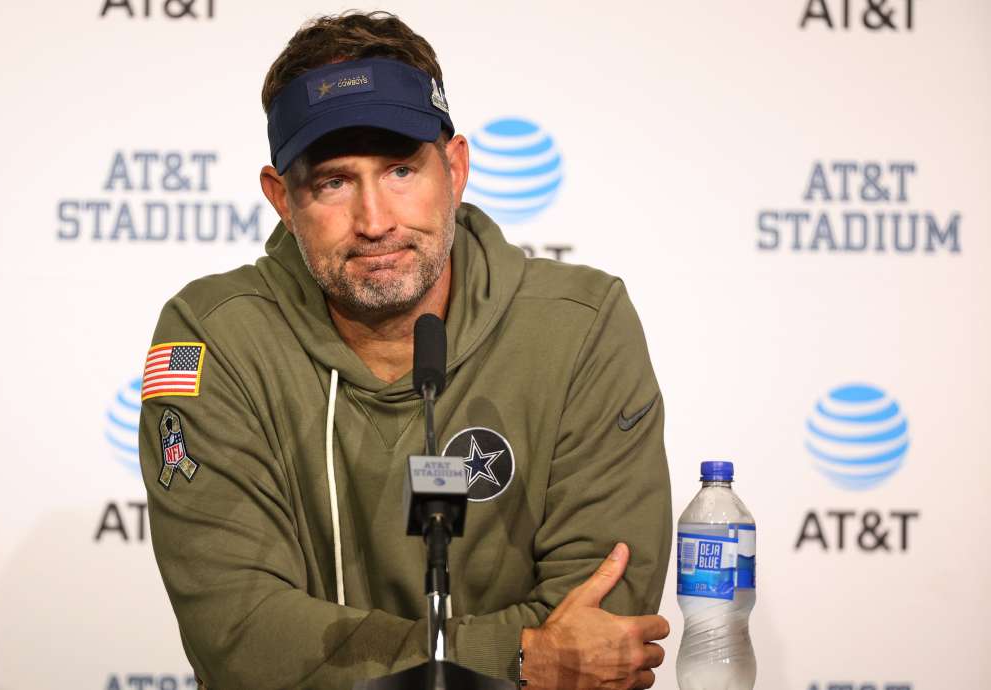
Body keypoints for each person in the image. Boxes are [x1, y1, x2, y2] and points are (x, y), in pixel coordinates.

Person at [139, 11, 672, 689]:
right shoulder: (210, 336)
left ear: (455, 167)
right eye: (333, 181)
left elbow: (603, 632)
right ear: (281, 198)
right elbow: (242, 638)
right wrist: (519, 657)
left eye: (399, 170)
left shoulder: (583, 324)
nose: (375, 220)